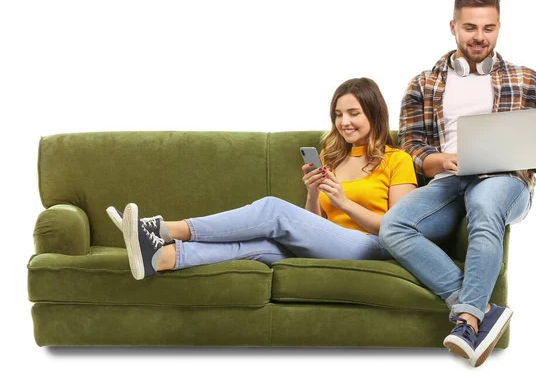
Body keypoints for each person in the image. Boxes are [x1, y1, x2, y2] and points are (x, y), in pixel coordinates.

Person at [379, 0, 536, 367]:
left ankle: (467, 321)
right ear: (453, 26)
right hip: (450, 179)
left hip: (505, 179)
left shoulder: (526, 79)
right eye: (470, 27)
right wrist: (438, 160)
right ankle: (479, 304)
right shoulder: (423, 83)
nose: (479, 37)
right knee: (392, 227)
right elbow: (410, 145)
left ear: (498, 28)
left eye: (488, 28)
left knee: (484, 204)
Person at [107, 77, 417, 282]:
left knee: (273, 210)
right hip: (326, 243)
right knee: (257, 245)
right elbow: (313, 225)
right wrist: (312, 195)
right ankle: (161, 257)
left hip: (370, 247)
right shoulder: (331, 158)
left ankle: (160, 228)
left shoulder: (397, 160)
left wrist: (343, 202)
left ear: (374, 114)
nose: (343, 122)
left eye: (353, 113)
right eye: (338, 114)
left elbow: (396, 230)